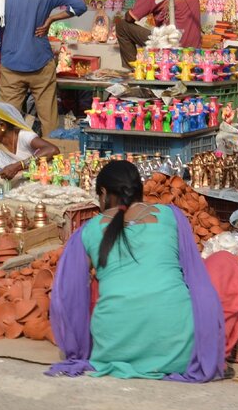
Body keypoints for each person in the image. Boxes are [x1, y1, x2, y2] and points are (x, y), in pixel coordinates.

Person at [46, 160, 225, 381]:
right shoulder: (170, 215)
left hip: (113, 349)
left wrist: (75, 348)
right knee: (222, 262)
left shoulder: (88, 230)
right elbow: (191, 274)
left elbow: (67, 296)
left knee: (94, 285)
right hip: (179, 351)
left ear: (103, 193)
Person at [0, 0, 87, 137]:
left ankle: (8, 158)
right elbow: (80, 6)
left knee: (8, 119)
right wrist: (52, 19)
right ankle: (51, 160)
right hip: (41, 62)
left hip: (11, 63)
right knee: (49, 120)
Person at [0, 103, 61, 183]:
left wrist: (18, 166)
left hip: (33, 180)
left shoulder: (24, 136)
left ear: (2, 126)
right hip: (9, 186)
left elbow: (52, 150)